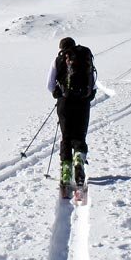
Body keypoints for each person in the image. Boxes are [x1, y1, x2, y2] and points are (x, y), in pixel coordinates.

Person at [46, 37, 96, 187]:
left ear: (61, 48)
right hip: (83, 103)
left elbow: (49, 84)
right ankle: (79, 162)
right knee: (80, 136)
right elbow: (93, 83)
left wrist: (58, 92)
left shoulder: (58, 60)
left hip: (65, 102)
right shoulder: (85, 57)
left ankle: (66, 172)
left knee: (67, 137)